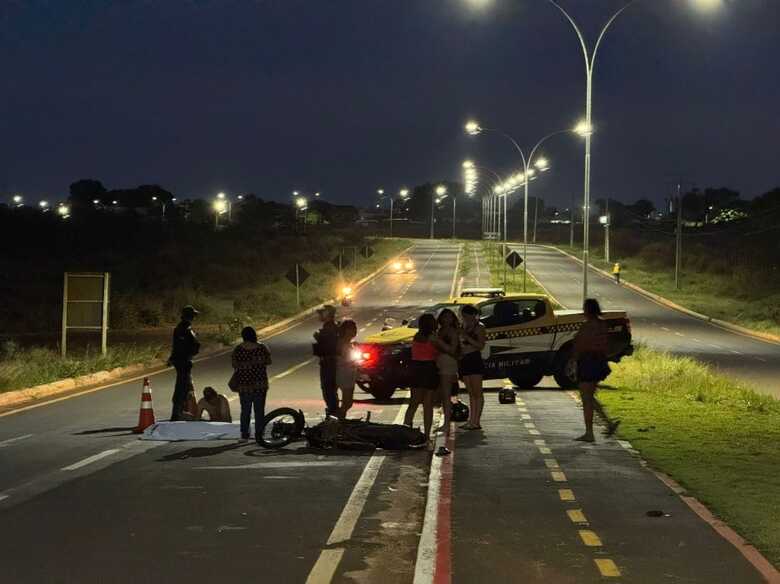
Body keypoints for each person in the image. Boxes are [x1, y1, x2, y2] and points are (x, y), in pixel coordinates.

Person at [573, 298, 618, 442]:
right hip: (598, 362)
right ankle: (607, 423)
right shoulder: (602, 325)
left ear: (588, 310)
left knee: (586, 398)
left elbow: (579, 345)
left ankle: (590, 432)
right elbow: (606, 345)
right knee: (589, 396)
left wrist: (574, 361)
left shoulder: (587, 326)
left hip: (587, 362)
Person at [231, 326, 272, 441]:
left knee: (245, 410)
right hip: (260, 385)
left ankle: (244, 435)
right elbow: (269, 361)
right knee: (259, 411)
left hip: (244, 386)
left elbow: (234, 364)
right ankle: (259, 435)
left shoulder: (238, 349)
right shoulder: (262, 347)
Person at [404, 313, 439, 444]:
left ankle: (405, 430)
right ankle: (427, 434)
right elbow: (438, 352)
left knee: (413, 403)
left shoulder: (416, 337)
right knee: (428, 404)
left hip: (416, 369)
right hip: (429, 368)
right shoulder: (433, 337)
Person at [168, 305, 200, 421]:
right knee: (182, 387)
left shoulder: (178, 328)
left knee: (184, 386)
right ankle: (177, 413)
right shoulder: (187, 330)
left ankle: (183, 411)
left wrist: (172, 358)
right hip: (184, 361)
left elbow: (175, 346)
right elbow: (195, 346)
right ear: (190, 317)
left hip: (178, 360)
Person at [459, 304, 486, 430]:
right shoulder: (463, 326)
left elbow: (480, 345)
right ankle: (471, 420)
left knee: (477, 392)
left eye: (467, 316)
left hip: (474, 359)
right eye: (463, 316)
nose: (465, 318)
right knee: (470, 392)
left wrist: (466, 337)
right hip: (464, 360)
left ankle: (476, 421)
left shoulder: (479, 327)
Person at [434, 309, 460, 436]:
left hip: (448, 363)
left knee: (446, 394)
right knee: (443, 394)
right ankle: (446, 422)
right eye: (444, 317)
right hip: (440, 363)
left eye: (449, 317)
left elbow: (452, 350)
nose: (446, 320)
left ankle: (447, 423)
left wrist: (439, 342)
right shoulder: (440, 331)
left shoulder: (452, 332)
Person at [313, 305, 340, 417]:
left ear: (327, 314)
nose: (319, 315)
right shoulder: (332, 327)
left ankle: (334, 413)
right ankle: (334, 412)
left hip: (329, 363)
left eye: (322, 313)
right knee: (331, 390)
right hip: (331, 363)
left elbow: (329, 346)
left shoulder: (330, 329)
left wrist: (319, 337)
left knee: (328, 389)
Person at [336, 319, 358, 419]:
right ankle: (337, 421)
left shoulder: (350, 343)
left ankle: (340, 421)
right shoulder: (341, 343)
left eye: (355, 328)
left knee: (347, 403)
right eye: (351, 329)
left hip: (349, 374)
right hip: (343, 374)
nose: (354, 331)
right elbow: (341, 359)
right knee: (347, 402)